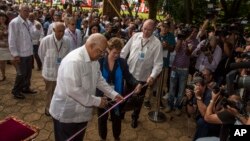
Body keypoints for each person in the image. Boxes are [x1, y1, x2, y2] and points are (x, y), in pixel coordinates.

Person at [49, 33, 124, 141]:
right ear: (91, 46)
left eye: (104, 52)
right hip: (66, 114)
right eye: (101, 51)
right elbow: (74, 90)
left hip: (82, 113)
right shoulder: (74, 61)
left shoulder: (94, 60)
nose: (102, 54)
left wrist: (113, 94)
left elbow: (99, 80)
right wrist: (97, 101)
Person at [97, 37, 142, 141]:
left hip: (117, 97)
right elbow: (95, 81)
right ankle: (102, 137)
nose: (117, 55)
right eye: (114, 52)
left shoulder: (122, 62)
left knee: (116, 119)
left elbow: (128, 76)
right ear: (108, 50)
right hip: (102, 97)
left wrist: (137, 84)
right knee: (102, 119)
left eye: (119, 52)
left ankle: (116, 137)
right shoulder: (99, 62)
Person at [120, 19, 163, 128]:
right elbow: (124, 51)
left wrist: (152, 76)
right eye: (144, 28)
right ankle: (121, 113)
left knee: (138, 100)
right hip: (129, 74)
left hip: (143, 78)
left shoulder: (157, 44)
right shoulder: (135, 36)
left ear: (153, 30)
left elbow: (158, 64)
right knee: (125, 95)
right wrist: (120, 66)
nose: (146, 31)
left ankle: (135, 118)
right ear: (142, 27)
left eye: (149, 30)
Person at [38, 22, 70, 116]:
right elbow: (41, 54)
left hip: (62, 73)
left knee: (61, 93)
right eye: (59, 31)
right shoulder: (46, 40)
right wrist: (47, 66)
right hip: (49, 74)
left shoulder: (67, 40)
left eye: (63, 31)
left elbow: (68, 55)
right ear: (53, 30)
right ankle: (48, 109)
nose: (61, 33)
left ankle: (57, 108)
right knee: (50, 93)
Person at [8, 4, 37, 99]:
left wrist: (36, 28)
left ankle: (26, 87)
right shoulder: (14, 23)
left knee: (28, 73)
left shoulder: (28, 22)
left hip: (29, 52)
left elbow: (32, 35)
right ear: (19, 11)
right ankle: (16, 90)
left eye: (28, 10)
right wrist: (15, 54)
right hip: (20, 54)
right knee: (21, 73)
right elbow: (11, 39)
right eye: (25, 10)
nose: (27, 12)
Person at [0, 11, 12, 81]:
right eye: (1, 17)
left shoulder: (9, 25)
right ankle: (3, 75)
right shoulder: (1, 26)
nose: (3, 18)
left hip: (9, 46)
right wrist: (2, 27)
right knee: (1, 62)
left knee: (14, 61)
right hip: (1, 46)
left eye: (4, 17)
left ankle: (19, 75)